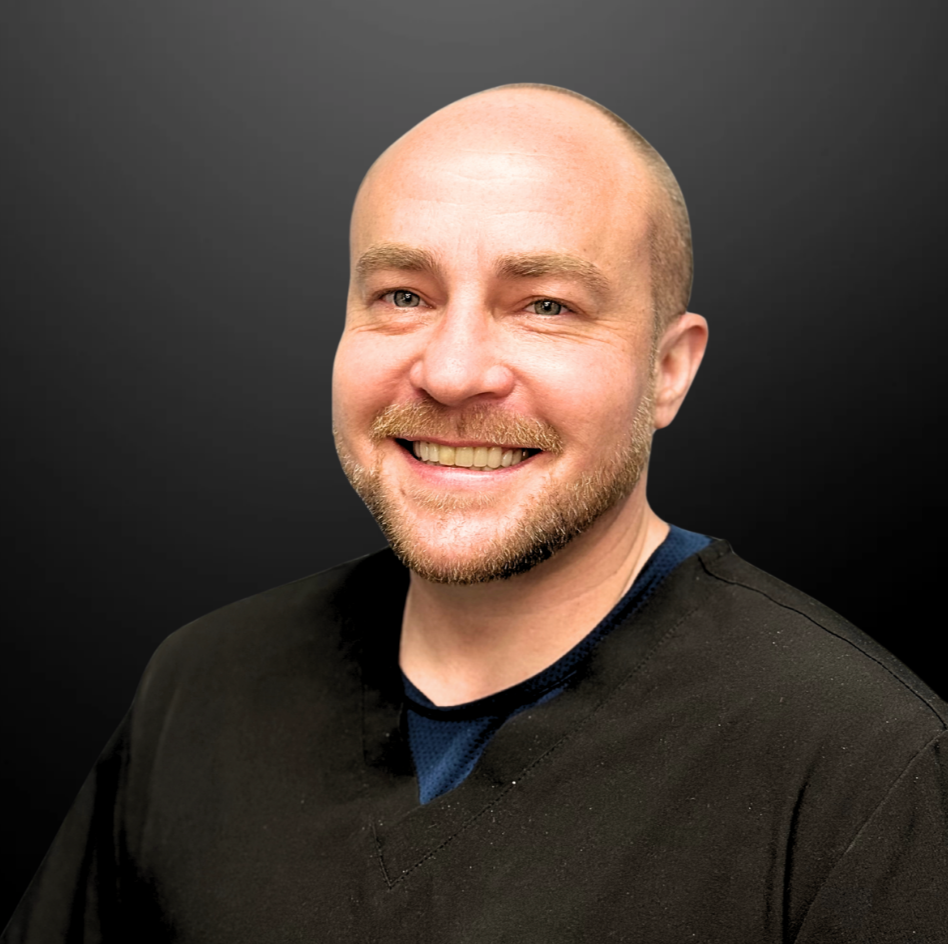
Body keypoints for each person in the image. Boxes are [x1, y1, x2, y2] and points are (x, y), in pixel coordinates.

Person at [4, 83, 946, 943]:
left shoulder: (863, 768)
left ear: (668, 370)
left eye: (545, 306)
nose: (454, 372)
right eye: (402, 296)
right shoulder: (202, 688)